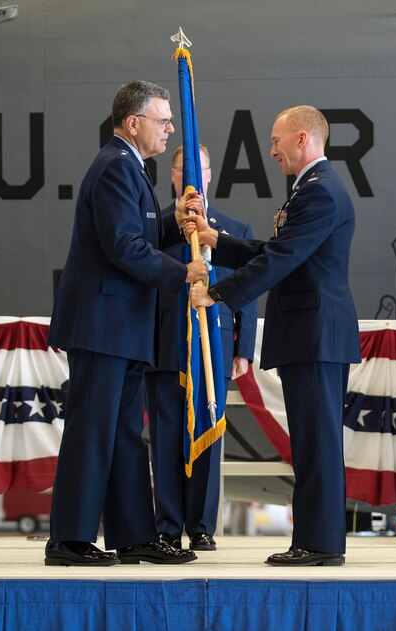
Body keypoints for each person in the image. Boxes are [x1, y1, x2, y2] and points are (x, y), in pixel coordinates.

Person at [185, 105, 360, 566]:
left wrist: (217, 294)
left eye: (277, 140)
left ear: (302, 139)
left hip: (316, 333)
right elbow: (280, 250)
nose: (272, 150)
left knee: (317, 442)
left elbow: (282, 259)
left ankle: (320, 544)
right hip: (311, 333)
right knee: (310, 440)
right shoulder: (311, 187)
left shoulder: (320, 191)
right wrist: (217, 240)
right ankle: (316, 540)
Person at [44, 81, 207, 567]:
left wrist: (174, 219)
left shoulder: (129, 166)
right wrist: (182, 273)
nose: (170, 129)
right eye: (163, 121)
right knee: (93, 431)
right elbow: (123, 246)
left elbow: (137, 233)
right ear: (133, 123)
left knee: (122, 435)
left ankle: (134, 535)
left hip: (121, 325)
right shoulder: (117, 166)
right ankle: (69, 539)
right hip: (104, 323)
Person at [146, 144, 257, 552]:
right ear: (172, 175)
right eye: (182, 169)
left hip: (215, 346)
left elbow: (248, 291)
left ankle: (202, 526)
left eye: (198, 168)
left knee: (208, 434)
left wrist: (244, 348)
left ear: (209, 175)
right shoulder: (155, 227)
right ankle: (167, 526)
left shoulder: (233, 229)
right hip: (164, 345)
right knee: (165, 436)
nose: (191, 175)